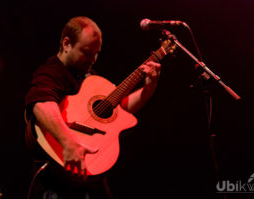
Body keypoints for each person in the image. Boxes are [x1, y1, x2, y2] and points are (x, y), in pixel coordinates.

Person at [24, 16, 161, 199]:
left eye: (97, 53)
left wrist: (148, 87)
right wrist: (68, 143)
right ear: (66, 44)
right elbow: (41, 103)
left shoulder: (90, 78)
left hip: (90, 179)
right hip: (55, 183)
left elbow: (120, 112)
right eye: (87, 52)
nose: (93, 59)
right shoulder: (51, 72)